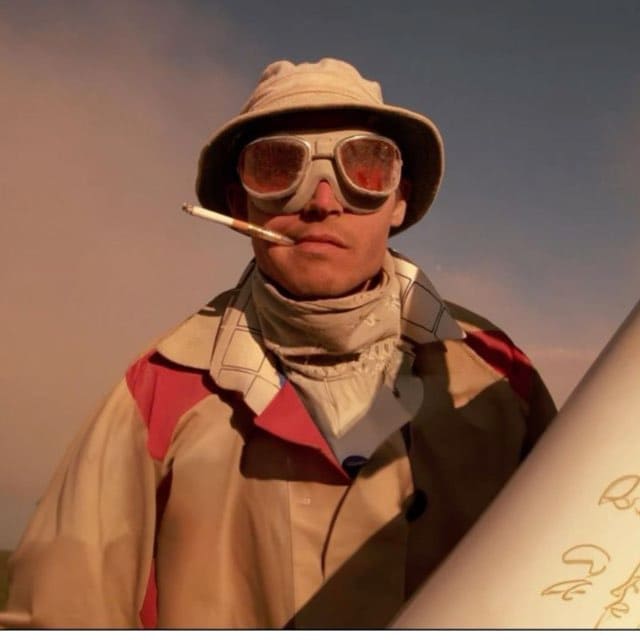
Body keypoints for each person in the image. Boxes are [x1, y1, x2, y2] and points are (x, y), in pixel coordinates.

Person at [1, 58, 556, 629]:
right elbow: (59, 611)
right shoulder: (161, 390)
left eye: (365, 167)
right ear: (239, 206)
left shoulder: (497, 375)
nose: (322, 201)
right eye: (277, 168)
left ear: (399, 201)